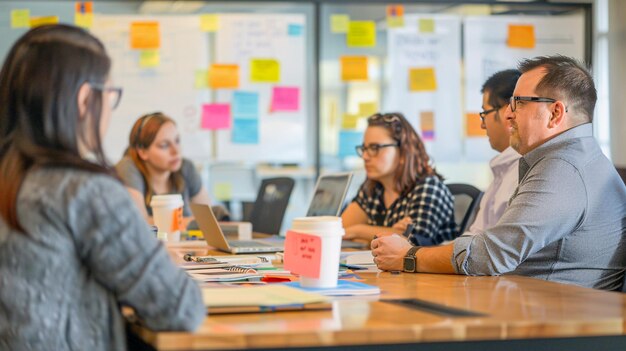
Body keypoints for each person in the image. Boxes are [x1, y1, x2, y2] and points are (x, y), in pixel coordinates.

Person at [0, 24, 204, 349]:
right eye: (110, 95)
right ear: (85, 99)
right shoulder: (84, 190)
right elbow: (181, 309)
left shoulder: (15, 178)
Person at [372, 55, 626, 290]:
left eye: (518, 103)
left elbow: (491, 254)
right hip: (532, 306)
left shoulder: (565, 169)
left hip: (553, 323)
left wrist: (407, 257)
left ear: (555, 113)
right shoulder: (576, 159)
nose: (508, 114)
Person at [341, 112, 457, 245]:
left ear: (403, 152)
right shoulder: (373, 188)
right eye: (364, 148)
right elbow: (340, 231)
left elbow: (411, 244)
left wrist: (359, 231)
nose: (365, 156)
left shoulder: (429, 188)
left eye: (375, 148)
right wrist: (390, 233)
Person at [116, 112, 227, 225]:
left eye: (177, 141)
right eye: (164, 145)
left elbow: (209, 222)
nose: (176, 151)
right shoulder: (127, 168)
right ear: (143, 152)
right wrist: (192, 223)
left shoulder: (186, 167)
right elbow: (140, 224)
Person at [467, 69, 522, 233]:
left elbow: (482, 249)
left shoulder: (523, 171)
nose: (483, 125)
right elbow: (474, 238)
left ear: (508, 111)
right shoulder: (503, 169)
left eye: (485, 113)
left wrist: (413, 254)